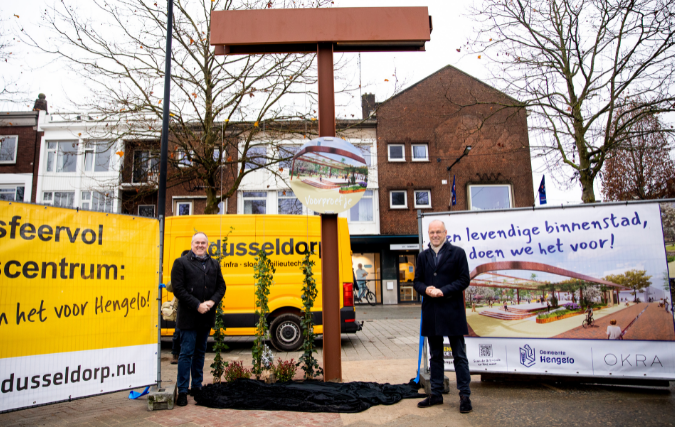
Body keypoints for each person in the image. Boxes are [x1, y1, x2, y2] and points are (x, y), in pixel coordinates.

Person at [413, 220, 472, 413]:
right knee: (435, 356)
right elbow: (417, 282)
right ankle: (435, 394)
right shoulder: (422, 256)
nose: (435, 235)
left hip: (453, 312)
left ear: (445, 233)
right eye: (432, 232)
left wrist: (443, 291)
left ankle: (464, 396)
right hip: (432, 313)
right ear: (428, 234)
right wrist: (426, 290)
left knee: (459, 355)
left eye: (438, 232)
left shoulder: (458, 253)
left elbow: (464, 280)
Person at [172, 232, 226, 407]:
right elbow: (178, 289)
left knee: (200, 353)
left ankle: (196, 386)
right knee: (186, 353)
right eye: (197, 242)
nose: (200, 245)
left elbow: (221, 286)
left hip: (206, 316)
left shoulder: (214, 264)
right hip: (189, 316)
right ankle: (182, 390)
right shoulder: (181, 263)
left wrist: (212, 301)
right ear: (192, 244)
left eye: (203, 243)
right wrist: (197, 305)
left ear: (207, 245)